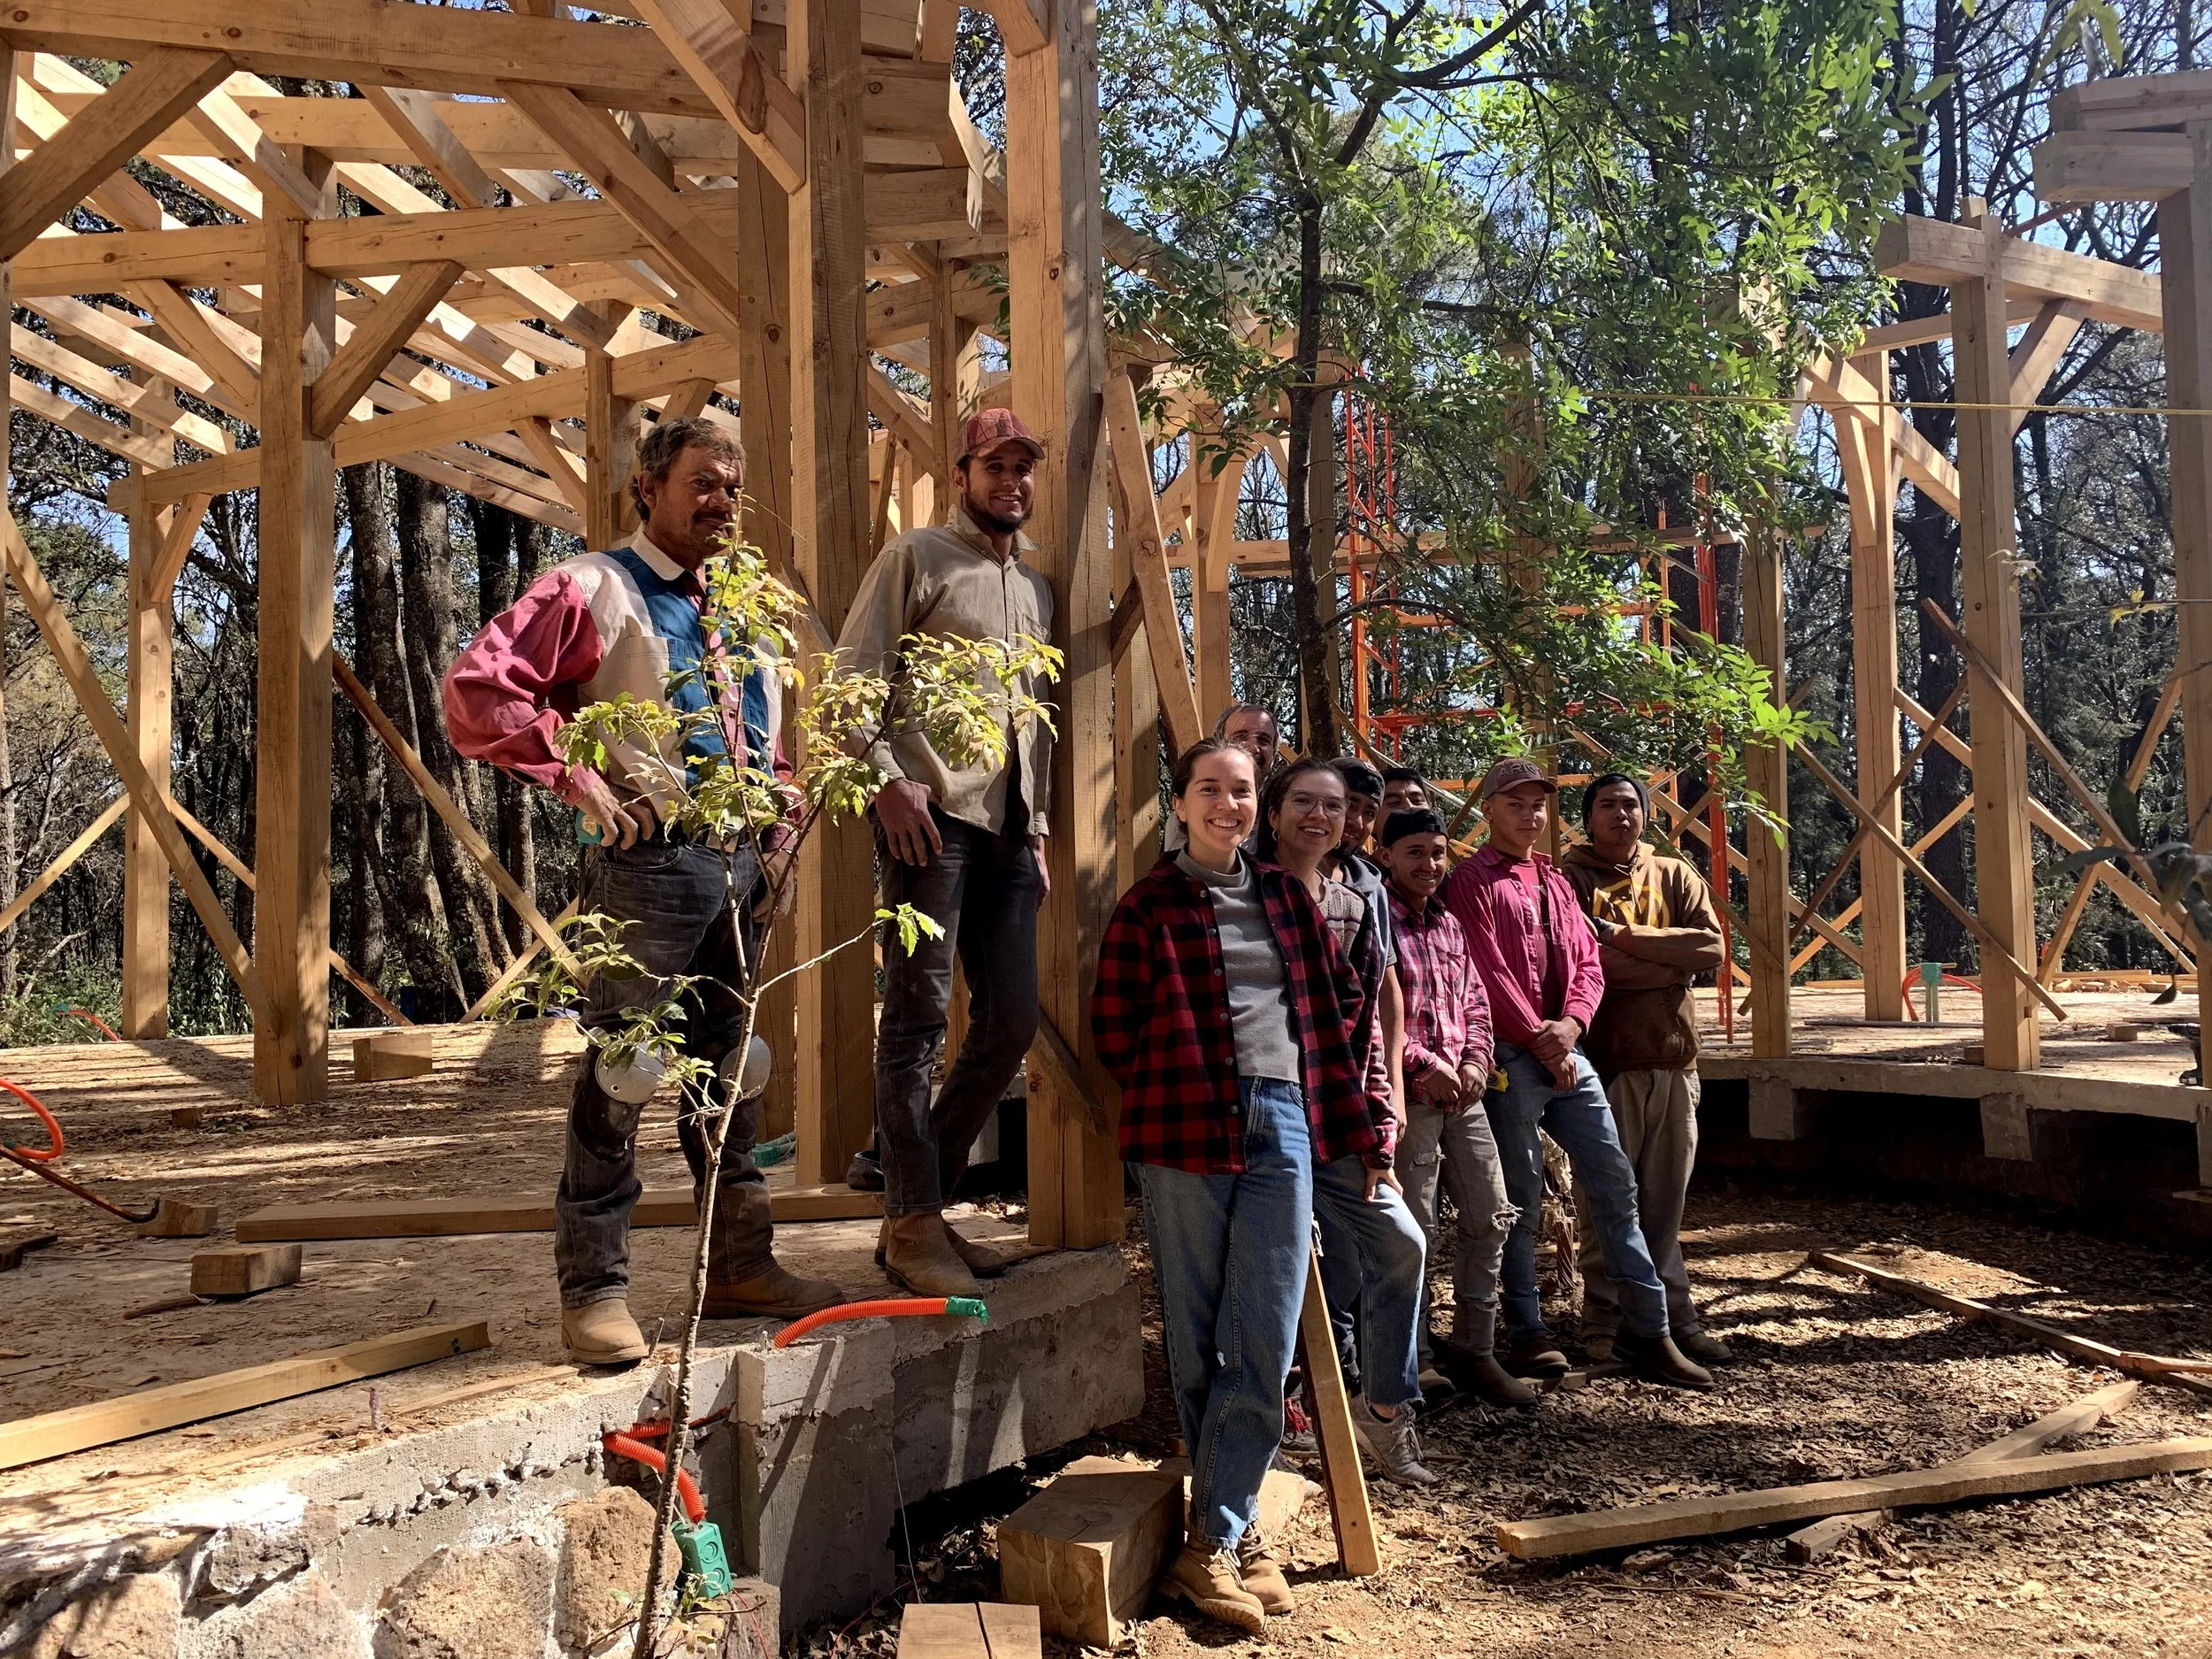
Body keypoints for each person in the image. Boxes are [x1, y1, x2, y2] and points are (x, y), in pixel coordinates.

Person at [444, 417, 845, 1366]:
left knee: (732, 1071)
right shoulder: (593, 588)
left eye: (732, 488)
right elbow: (479, 690)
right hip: (651, 866)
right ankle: (594, 1288)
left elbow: (771, 744)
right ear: (648, 487)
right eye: (702, 483)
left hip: (741, 866)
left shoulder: (745, 610)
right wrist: (574, 773)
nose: (720, 502)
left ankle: (740, 1261)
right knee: (624, 1069)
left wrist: (780, 831)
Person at [1092, 740, 1382, 1632]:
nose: (1228, 804)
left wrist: (1362, 1121)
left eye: (1242, 791)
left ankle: (1209, 1540)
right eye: (1209, 790)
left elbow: (1335, 1010)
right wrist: (1178, 1070)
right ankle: (1234, 1532)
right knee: (1196, 1328)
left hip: (1284, 1123)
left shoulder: (1288, 901)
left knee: (1262, 1332)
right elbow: (1114, 1026)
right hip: (1183, 1126)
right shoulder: (1149, 907)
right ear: (1178, 805)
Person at [834, 409, 1056, 1298]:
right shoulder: (918, 557)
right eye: (995, 466)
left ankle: (921, 1201)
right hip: (930, 824)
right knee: (920, 1020)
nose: (1012, 482)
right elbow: (853, 677)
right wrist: (887, 779)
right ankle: (914, 1221)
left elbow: (1033, 722)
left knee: (1010, 1021)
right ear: (961, 474)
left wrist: (1036, 828)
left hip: (1006, 830)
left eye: (1022, 468)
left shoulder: (1032, 588)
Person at [1440, 757, 1714, 1392]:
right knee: (1521, 1199)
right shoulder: (1473, 880)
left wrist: (1573, 1025)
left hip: (1569, 1050)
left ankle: (1650, 1330)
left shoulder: (1554, 879)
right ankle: (1528, 1330)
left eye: (1538, 805)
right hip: (1514, 1055)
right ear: (1489, 810)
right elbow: (1485, 971)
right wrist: (1543, 1038)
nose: (1530, 815)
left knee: (1615, 1186)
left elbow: (1588, 961)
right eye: (1515, 804)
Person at [1256, 762, 1435, 1484]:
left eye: (1334, 806)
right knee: (1267, 1275)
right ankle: (1266, 1431)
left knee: (1401, 1243)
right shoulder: (1241, 893)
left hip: (1332, 1120)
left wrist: (1381, 1132)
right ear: (1275, 812)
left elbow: (1365, 1034)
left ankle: (1384, 1410)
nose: (1320, 816)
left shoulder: (1353, 907)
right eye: (1303, 801)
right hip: (1255, 1119)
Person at [1562, 774, 1732, 1366]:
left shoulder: (1674, 872)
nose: (1620, 813)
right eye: (1606, 804)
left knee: (1665, 1204)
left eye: (1630, 803)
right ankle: (1602, 1322)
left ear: (1646, 814)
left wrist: (1631, 940)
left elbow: (1711, 950)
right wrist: (1669, 964)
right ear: (1588, 818)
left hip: (1676, 1060)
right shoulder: (1570, 877)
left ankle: (1668, 1318)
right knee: (1605, 1201)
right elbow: (1586, 965)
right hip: (1607, 1063)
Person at [1379, 809, 1536, 1409]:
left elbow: (1475, 1002)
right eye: (1415, 851)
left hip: (1464, 1095)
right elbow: (1372, 1013)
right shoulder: (1378, 920)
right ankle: (1412, 1357)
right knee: (1414, 1230)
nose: (1430, 864)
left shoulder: (1447, 922)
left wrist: (1474, 1064)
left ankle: (1475, 1345)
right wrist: (1426, 1067)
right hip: (1413, 1096)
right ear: (1387, 854)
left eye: (1439, 852)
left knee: (1493, 1213)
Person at [1163, 702, 1280, 853]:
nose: (1252, 747)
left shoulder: (1285, 819)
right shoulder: (1187, 819)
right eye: (1240, 737)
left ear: (1275, 757)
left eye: (1264, 740)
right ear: (1218, 746)